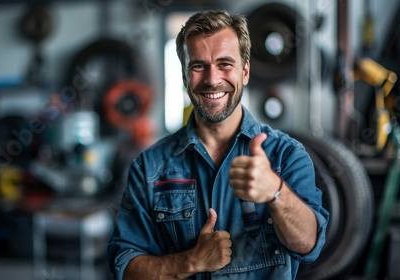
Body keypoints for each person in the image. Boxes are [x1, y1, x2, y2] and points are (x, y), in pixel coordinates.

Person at [107, 10, 329, 279]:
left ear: (245, 71)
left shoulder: (287, 155)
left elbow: (308, 244)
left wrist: (275, 191)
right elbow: (125, 267)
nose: (212, 79)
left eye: (225, 64)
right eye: (198, 66)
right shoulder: (149, 166)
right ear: (184, 75)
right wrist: (189, 262)